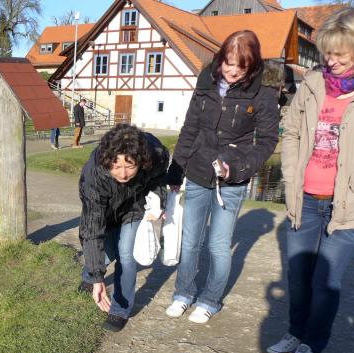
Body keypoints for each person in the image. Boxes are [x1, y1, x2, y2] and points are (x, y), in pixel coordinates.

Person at [266, 7, 354, 353]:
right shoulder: (314, 82)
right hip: (306, 198)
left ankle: (313, 344)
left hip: (351, 204)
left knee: (324, 280)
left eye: (340, 54)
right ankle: (295, 332)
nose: (331, 61)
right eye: (327, 53)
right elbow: (292, 131)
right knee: (298, 277)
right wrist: (291, 175)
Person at [164, 30, 279, 324]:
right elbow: (190, 129)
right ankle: (183, 293)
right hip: (198, 171)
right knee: (190, 240)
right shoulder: (205, 84)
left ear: (252, 65)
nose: (233, 71)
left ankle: (210, 300)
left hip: (232, 180)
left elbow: (266, 142)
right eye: (229, 63)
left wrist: (237, 168)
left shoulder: (263, 96)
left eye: (241, 66)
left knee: (218, 244)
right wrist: (176, 168)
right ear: (221, 59)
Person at [78, 123, 179, 332]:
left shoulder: (156, 154)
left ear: (141, 160)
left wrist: (158, 200)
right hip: (104, 210)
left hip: (134, 207)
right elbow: (92, 230)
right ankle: (91, 275)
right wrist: (98, 279)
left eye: (130, 166)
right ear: (107, 161)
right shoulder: (94, 176)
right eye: (116, 167)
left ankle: (120, 308)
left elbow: (159, 177)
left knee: (126, 253)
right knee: (105, 250)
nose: (123, 174)